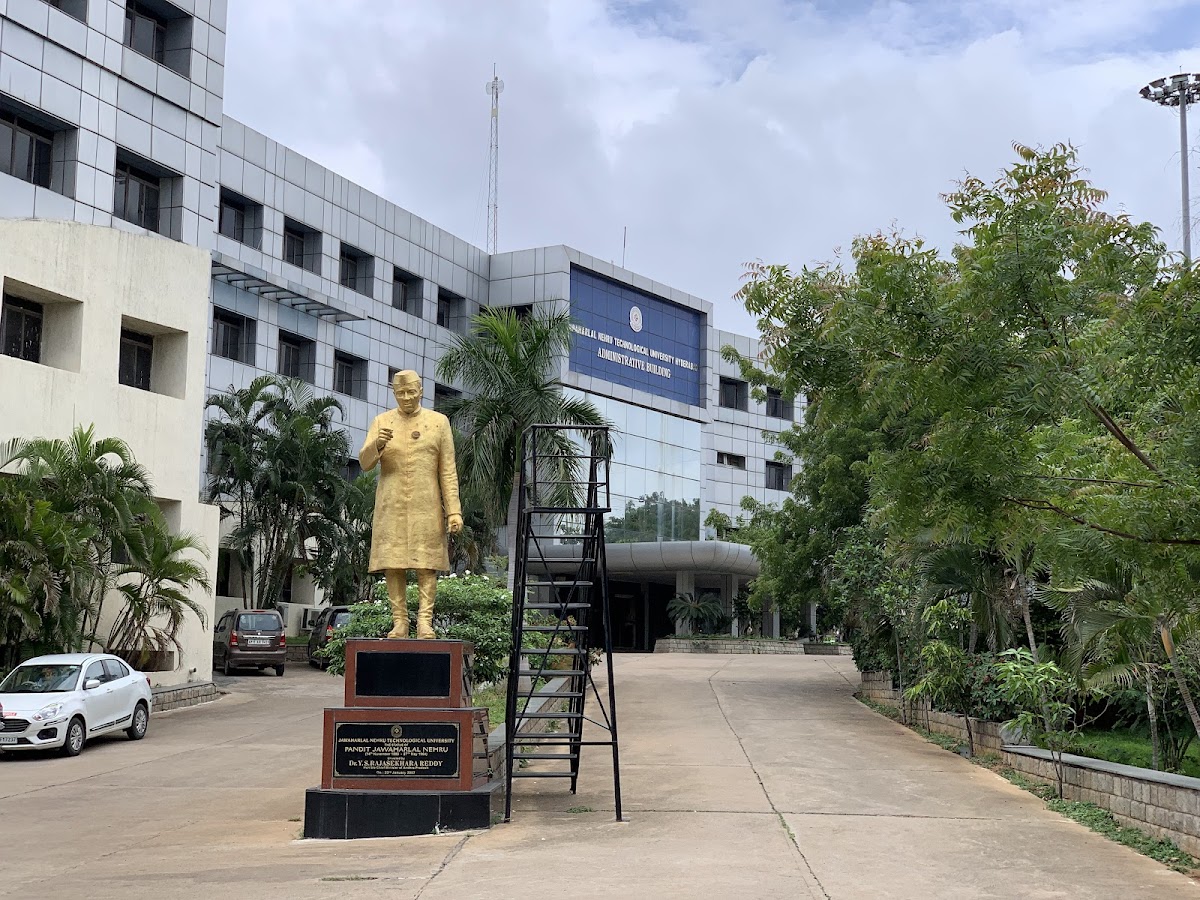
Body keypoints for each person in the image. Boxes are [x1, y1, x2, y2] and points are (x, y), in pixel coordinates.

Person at [358, 370, 463, 639]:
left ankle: (425, 622)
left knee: (426, 563)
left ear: (421, 391)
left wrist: (453, 510)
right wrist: (377, 445)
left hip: (425, 502)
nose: (406, 397)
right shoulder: (382, 421)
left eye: (411, 392)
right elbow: (365, 463)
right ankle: (400, 622)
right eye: (400, 393)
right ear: (394, 393)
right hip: (391, 502)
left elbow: (448, 470)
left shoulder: (439, 423)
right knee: (394, 563)